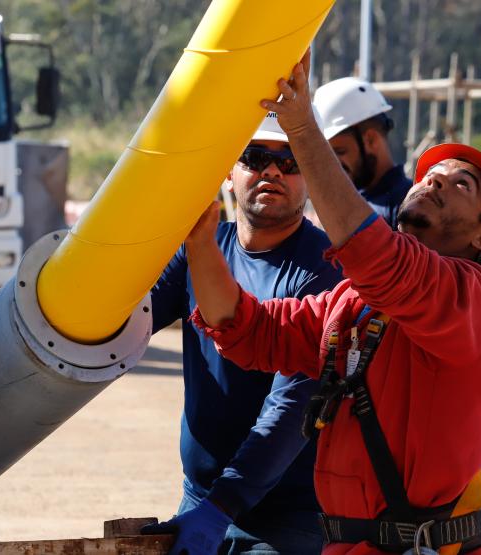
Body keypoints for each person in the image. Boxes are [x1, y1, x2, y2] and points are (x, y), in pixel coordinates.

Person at [183, 56, 481, 555]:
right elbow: (250, 330)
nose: (433, 181)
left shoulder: (472, 300)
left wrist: (301, 127)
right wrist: (200, 245)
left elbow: (376, 255)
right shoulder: (359, 305)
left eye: (461, 184)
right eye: (430, 175)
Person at [143, 112, 343, 554]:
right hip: (201, 499)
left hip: (286, 520)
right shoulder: (202, 247)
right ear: (229, 174)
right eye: (255, 158)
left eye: (290, 162)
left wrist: (222, 506)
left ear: (310, 178)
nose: (272, 171)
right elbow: (128, 320)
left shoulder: (323, 271)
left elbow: (291, 410)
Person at [312, 77, 412, 228]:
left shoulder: (407, 206)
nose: (333, 164)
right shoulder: (353, 202)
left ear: (370, 140)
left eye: (340, 151)